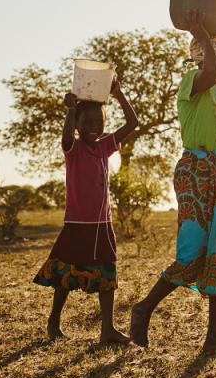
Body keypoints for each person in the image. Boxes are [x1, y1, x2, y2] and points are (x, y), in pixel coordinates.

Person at [130, 9, 216, 353]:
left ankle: (213, 337)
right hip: (197, 175)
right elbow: (212, 70)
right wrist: (200, 30)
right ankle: (143, 309)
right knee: (191, 253)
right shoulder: (193, 83)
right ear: (201, 57)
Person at [33, 78, 138, 343]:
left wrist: (118, 94)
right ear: (78, 125)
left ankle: (107, 329)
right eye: (87, 123)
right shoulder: (73, 149)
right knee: (65, 276)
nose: (93, 127)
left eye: (98, 122)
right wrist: (70, 109)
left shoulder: (104, 147)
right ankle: (54, 321)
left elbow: (132, 123)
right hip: (78, 224)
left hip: (103, 224)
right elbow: (66, 137)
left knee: (107, 273)